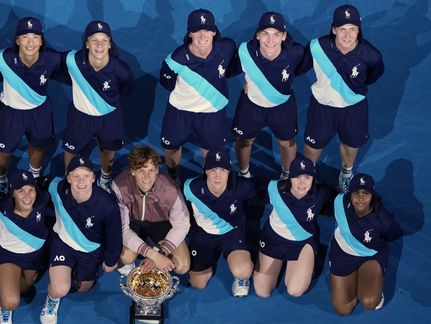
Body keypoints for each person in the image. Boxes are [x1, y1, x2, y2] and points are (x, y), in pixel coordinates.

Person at [302, 4, 384, 192]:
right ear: (334, 30)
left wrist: (350, 92)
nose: (347, 35)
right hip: (322, 107)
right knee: (312, 146)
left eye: (352, 29)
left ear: (358, 30)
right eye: (342, 29)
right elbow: (298, 66)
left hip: (353, 108)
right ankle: (308, 172)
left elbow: (372, 77)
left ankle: (346, 174)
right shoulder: (317, 47)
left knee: (350, 144)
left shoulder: (372, 56)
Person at [40, 156, 122, 324]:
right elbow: (35, 184)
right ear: (68, 178)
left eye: (86, 176)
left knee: (84, 288)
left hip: (90, 250)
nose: (81, 181)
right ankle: (51, 301)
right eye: (75, 176)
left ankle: (66, 274)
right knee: (60, 289)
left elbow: (114, 235)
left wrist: (111, 259)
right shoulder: (57, 187)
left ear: (93, 178)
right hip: (63, 244)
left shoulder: (107, 204)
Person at [159, 8, 238, 178]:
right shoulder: (175, 60)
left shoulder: (227, 48)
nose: (202, 36)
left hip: (212, 112)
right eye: (197, 31)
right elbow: (167, 82)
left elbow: (233, 67)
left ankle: (205, 179)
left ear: (214, 32)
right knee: (171, 148)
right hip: (180, 111)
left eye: (207, 30)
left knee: (210, 152)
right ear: (190, 34)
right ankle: (173, 177)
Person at [231, 12, 310, 179]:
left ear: (284, 36)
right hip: (251, 105)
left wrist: (279, 84)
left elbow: (299, 69)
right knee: (244, 141)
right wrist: (252, 81)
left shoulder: (296, 53)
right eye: (265, 34)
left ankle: (287, 175)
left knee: (287, 143)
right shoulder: (245, 52)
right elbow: (228, 70)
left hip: (283, 106)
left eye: (276, 35)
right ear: (258, 35)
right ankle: (243, 174)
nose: (270, 40)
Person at [58, 21, 133, 191]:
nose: (99, 45)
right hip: (80, 117)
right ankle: (68, 179)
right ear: (86, 43)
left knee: (108, 149)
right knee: (71, 150)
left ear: (109, 44)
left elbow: (125, 91)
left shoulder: (122, 70)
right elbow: (50, 62)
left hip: (109, 118)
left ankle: (105, 179)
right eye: (94, 40)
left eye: (104, 40)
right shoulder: (72, 61)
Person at [0, 17, 62, 193]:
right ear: (17, 40)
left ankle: (35, 176)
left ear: (41, 41)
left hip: (39, 112)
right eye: (25, 37)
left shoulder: (52, 59)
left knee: (38, 147)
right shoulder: (2, 59)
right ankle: (0, 180)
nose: (30, 42)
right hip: (10, 113)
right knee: (5, 153)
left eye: (35, 37)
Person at [253, 154, 330, 298]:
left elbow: (342, 206)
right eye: (297, 177)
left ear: (313, 178)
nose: (302, 182)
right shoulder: (274, 188)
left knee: (295, 290)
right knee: (262, 291)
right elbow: (246, 191)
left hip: (302, 243)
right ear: (290, 177)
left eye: (307, 177)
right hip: (273, 240)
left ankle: (310, 262)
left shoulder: (322, 193)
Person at [182, 149, 255, 296]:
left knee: (243, 270)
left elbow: (269, 192)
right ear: (206, 170)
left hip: (231, 232)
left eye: (222, 170)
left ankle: (241, 279)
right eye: (213, 169)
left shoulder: (242, 186)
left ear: (229, 171)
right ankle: (206, 261)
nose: (217, 175)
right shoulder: (191, 188)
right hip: (203, 234)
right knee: (197, 284)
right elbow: (178, 210)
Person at [328, 173, 402, 315]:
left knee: (369, 302)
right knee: (343, 309)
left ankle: (372, 287)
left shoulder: (384, 219)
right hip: (343, 255)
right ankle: (359, 282)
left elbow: (394, 234)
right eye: (356, 193)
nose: (361, 198)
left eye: (365, 193)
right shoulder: (339, 203)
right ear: (350, 195)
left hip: (370, 256)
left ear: (372, 196)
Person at [111, 145, 191, 275]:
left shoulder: (170, 189)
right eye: (141, 171)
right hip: (133, 222)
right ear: (132, 171)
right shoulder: (120, 186)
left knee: (183, 265)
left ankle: (155, 261)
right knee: (126, 257)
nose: (147, 177)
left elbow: (182, 225)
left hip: (160, 223)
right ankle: (138, 256)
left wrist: (162, 253)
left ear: (157, 170)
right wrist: (153, 255)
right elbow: (123, 229)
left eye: (151, 170)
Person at [0, 170, 50, 324]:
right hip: (7, 256)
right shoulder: (1, 208)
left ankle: (10, 286)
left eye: (30, 190)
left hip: (33, 257)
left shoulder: (42, 201)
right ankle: (3, 309)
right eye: (21, 191)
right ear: (13, 193)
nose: (27, 196)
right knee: (11, 301)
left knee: (25, 288)